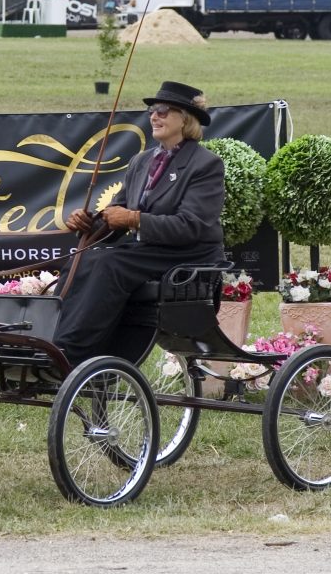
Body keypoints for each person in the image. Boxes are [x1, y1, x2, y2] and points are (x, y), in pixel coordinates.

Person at [52, 81, 226, 366]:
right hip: (148, 251)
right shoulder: (141, 161)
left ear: (185, 119)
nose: (154, 116)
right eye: (151, 111)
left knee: (110, 264)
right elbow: (116, 216)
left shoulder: (205, 164)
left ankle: (72, 351)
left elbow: (190, 225)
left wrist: (134, 218)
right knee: (82, 259)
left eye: (163, 110)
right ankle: (53, 337)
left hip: (188, 253)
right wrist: (89, 226)